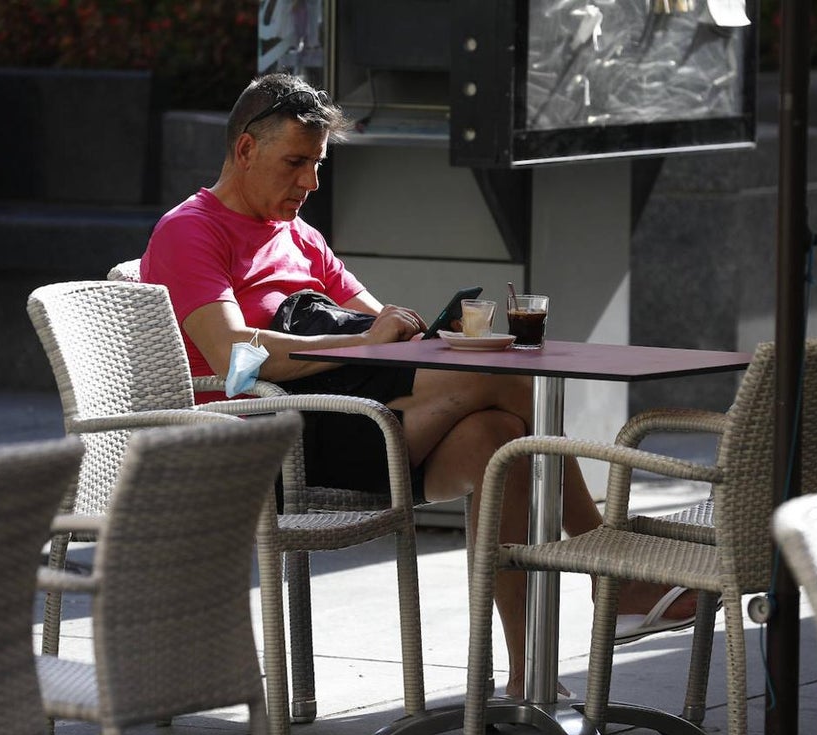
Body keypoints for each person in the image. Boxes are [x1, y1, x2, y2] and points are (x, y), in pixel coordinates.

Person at [141, 72, 695, 697]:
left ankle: (524, 681)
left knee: (501, 441)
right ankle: (611, 577)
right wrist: (369, 342)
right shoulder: (191, 230)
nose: (311, 183)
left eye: (318, 164)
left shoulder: (300, 236)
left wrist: (435, 334)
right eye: (296, 162)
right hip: (262, 445)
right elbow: (237, 358)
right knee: (510, 386)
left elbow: (383, 334)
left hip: (349, 418)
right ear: (245, 150)